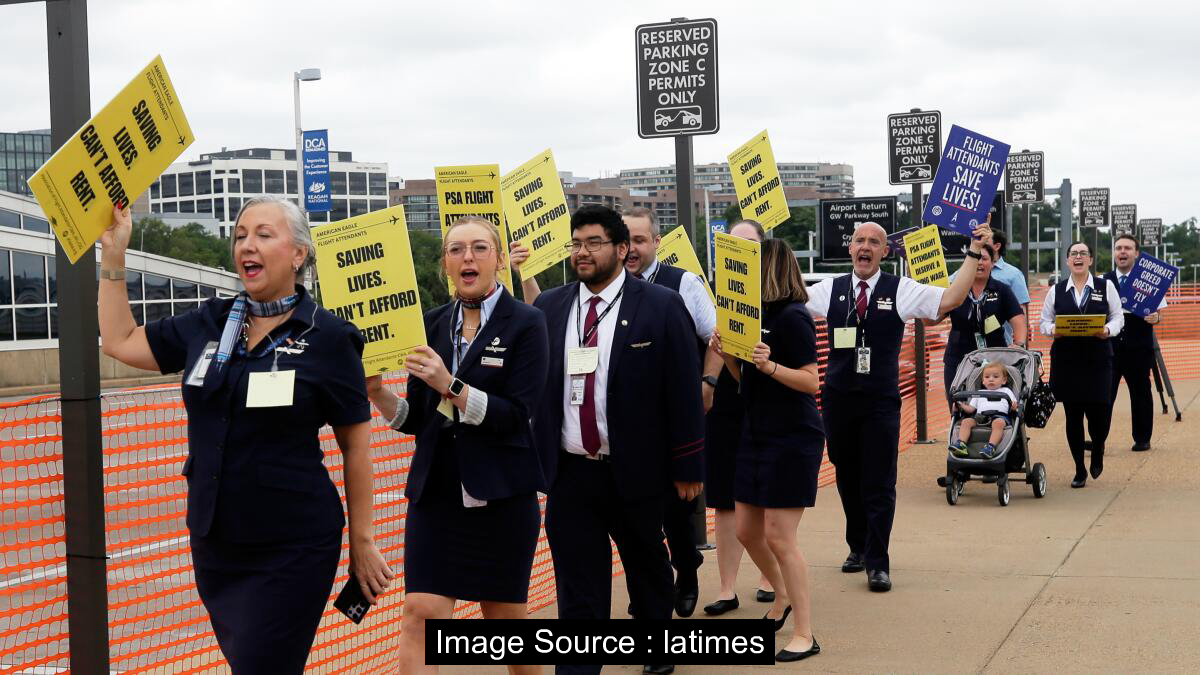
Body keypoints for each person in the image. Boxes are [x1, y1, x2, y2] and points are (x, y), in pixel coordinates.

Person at [97, 198, 392, 673]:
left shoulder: (329, 338)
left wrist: (363, 541)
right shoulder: (209, 322)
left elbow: (356, 448)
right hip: (217, 545)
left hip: (292, 547)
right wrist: (113, 258)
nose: (247, 246)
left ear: (298, 254)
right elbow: (119, 341)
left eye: (263, 235)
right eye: (240, 236)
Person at [367, 216, 548, 675]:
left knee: (506, 621)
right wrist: (378, 393)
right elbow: (417, 419)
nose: (468, 257)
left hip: (501, 496)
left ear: (499, 260)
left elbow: (517, 416)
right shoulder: (430, 324)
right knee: (420, 613)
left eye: (480, 248)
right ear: (445, 264)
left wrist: (452, 385)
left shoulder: (528, 323)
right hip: (437, 497)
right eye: (456, 249)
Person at [532, 205, 704, 675]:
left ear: (622, 248)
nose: (582, 252)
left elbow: (683, 390)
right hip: (571, 472)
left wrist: (688, 466)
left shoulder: (660, 305)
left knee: (646, 564)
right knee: (578, 583)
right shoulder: (550, 307)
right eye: (576, 244)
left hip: (637, 469)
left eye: (593, 243)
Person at [807, 219, 992, 592]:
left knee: (878, 481)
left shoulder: (901, 289)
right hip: (838, 400)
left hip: (880, 401)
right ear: (850, 248)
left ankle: (878, 562)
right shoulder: (829, 290)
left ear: (884, 251)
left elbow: (950, 299)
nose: (865, 247)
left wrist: (973, 252)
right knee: (846, 474)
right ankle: (858, 545)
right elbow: (784, 299)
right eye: (859, 240)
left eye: (874, 242)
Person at [710, 239, 824, 662]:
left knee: (779, 535)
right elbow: (746, 382)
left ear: (769, 268)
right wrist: (729, 357)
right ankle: (782, 595)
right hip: (755, 433)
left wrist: (769, 365)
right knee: (745, 529)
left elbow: (811, 381)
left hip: (792, 436)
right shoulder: (750, 317)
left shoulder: (793, 317)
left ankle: (805, 634)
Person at [620, 206, 715, 619]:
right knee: (634, 517)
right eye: (625, 241)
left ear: (657, 242)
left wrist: (708, 384)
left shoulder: (683, 283)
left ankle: (687, 570)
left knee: (677, 511)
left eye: (639, 240)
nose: (631, 249)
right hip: (626, 424)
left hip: (674, 419)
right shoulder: (607, 289)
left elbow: (716, 337)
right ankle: (648, 588)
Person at [700, 219, 775, 616]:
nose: (742, 250)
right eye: (733, 243)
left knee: (766, 494)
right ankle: (727, 588)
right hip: (727, 406)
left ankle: (769, 576)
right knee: (725, 498)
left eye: (749, 243)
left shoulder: (779, 295)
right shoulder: (717, 295)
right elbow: (714, 345)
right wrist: (710, 381)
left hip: (768, 401)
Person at [1039, 241, 1123, 488]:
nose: (1078, 257)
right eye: (1073, 254)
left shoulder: (1105, 286)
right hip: (1067, 360)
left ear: (1091, 260)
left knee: (1100, 413)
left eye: (1083, 253)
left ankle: (1098, 447)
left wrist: (1108, 330)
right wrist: (1052, 330)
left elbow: (1118, 317)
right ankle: (1079, 468)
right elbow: (1043, 322)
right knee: (1073, 415)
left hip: (1098, 359)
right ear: (1067, 261)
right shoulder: (1056, 290)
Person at [932, 243, 1027, 402]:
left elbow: (1018, 319)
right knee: (958, 407)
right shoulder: (954, 290)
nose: (979, 263)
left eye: (984, 259)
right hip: (958, 360)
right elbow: (931, 320)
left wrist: (1019, 344)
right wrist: (925, 304)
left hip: (995, 362)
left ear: (993, 263)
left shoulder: (1002, 290)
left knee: (994, 407)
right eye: (975, 258)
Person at [1105, 234, 1166, 452]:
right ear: (1114, 253)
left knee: (1141, 394)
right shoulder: (1103, 281)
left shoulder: (1149, 281)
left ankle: (1142, 438)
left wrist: (1156, 318)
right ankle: (1098, 438)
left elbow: (1159, 314)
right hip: (1109, 349)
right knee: (1104, 395)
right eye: (1118, 248)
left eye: (1127, 248)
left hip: (1139, 348)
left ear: (1136, 253)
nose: (1122, 252)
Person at [949, 362, 1017, 460]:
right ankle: (961, 444)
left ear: (1004, 380)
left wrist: (1014, 407)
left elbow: (1014, 405)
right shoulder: (979, 393)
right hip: (980, 417)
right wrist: (961, 405)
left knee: (998, 423)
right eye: (987, 377)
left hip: (999, 416)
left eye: (995, 377)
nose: (991, 379)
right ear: (983, 381)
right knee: (966, 421)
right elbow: (971, 409)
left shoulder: (1006, 391)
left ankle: (991, 447)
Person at [988, 230, 1031, 344]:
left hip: (1002, 344)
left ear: (997, 246)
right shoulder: (967, 272)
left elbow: (1021, 311)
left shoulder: (1014, 275)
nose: (979, 242)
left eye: (985, 240)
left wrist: (1019, 344)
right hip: (970, 348)